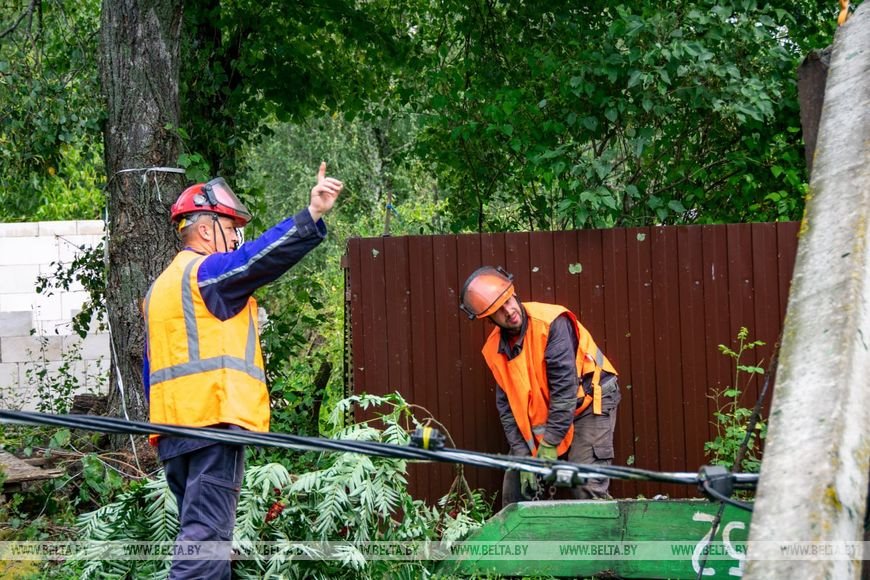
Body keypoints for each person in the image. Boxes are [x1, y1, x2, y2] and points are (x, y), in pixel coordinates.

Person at [142, 163, 342, 579]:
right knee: (206, 542)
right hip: (212, 424)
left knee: (203, 537)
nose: (236, 238)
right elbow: (258, 260)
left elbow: (153, 368)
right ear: (203, 228)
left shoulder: (159, 289)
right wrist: (312, 215)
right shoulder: (205, 274)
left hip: (175, 434)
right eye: (230, 227)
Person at [459, 266, 621, 507]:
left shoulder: (551, 323)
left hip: (590, 399)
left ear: (514, 294)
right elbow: (507, 410)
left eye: (508, 302)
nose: (509, 312)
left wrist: (549, 444)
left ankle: (607, 540)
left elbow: (565, 393)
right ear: (489, 318)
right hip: (556, 408)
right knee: (516, 486)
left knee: (585, 483)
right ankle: (520, 544)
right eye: (499, 311)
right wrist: (525, 459)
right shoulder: (494, 350)